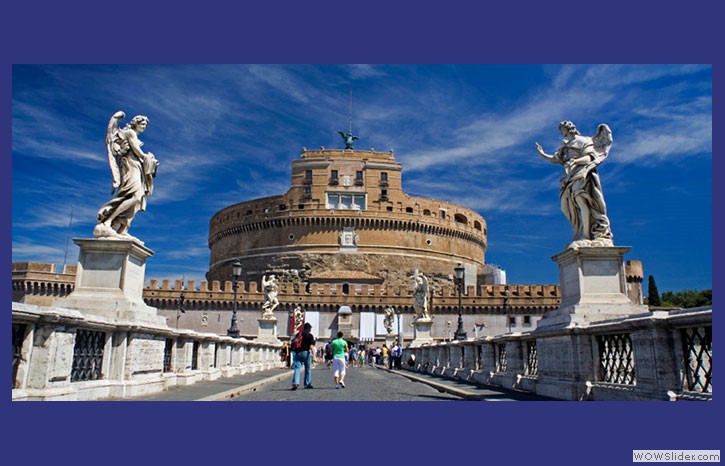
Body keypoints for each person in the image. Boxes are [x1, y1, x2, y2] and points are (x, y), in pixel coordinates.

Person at [535, 121, 614, 247]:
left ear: (568, 129)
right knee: (567, 206)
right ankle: (579, 231)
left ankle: (586, 234)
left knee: (582, 201)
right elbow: (557, 159)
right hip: (569, 177)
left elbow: (589, 158)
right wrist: (543, 154)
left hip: (582, 173)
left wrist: (575, 161)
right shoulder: (565, 146)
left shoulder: (583, 141)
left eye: (562, 129)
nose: (561, 132)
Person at [96, 111, 159, 239]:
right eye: (142, 124)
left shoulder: (133, 135)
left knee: (137, 198)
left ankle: (122, 227)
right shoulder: (130, 133)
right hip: (131, 167)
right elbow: (137, 151)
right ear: (136, 123)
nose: (144, 126)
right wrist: (149, 157)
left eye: (145, 125)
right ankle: (108, 221)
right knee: (134, 195)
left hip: (137, 167)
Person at [291, 322, 316, 390]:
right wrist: (314, 356)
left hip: (298, 353)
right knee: (307, 369)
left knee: (297, 368)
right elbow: (311, 346)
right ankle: (307, 384)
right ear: (309, 328)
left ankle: (295, 382)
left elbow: (294, 342)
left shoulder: (298, 334)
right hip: (306, 353)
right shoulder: (309, 335)